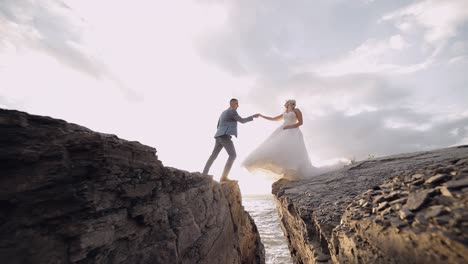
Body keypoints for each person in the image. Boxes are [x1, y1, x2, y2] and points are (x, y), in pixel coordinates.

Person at [242, 99, 317, 180]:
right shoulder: (285, 113)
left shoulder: (297, 110)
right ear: (286, 104)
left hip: (293, 132)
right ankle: (285, 171)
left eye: (292, 103)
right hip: (282, 130)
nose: (291, 104)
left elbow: (300, 122)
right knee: (275, 148)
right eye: (289, 102)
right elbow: (273, 118)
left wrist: (289, 126)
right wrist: (261, 115)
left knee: (292, 151)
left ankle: (293, 171)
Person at [203, 98, 260, 181]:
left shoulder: (223, 112)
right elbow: (242, 121)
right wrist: (253, 116)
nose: (238, 105)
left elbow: (218, 125)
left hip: (218, 136)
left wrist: (220, 133)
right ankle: (224, 177)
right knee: (233, 155)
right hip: (225, 136)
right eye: (237, 103)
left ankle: (204, 174)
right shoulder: (232, 111)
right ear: (232, 104)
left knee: (213, 156)